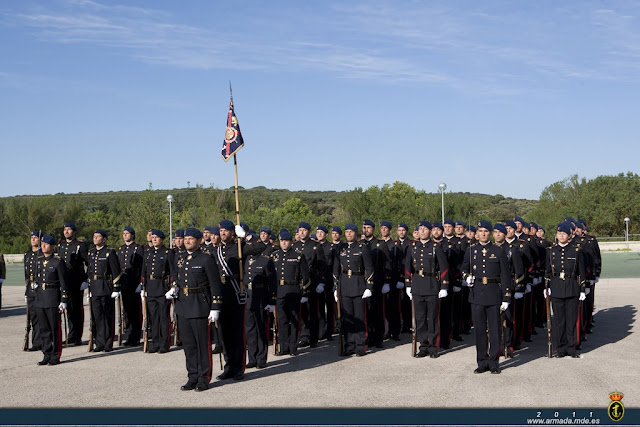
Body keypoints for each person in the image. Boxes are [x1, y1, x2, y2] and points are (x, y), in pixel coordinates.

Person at [165, 227, 222, 392]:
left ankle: (204, 378)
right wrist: (174, 287)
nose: (187, 241)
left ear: (199, 241)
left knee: (202, 345)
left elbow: (215, 284)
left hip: (199, 306)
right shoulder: (181, 258)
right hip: (183, 306)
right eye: (186, 238)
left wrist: (215, 307)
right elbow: (178, 278)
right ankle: (192, 376)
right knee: (189, 345)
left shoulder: (206, 259)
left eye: (191, 238)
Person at [213, 220, 265, 380]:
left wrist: (247, 236)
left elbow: (261, 246)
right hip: (221, 293)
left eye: (226, 231)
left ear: (232, 233)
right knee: (224, 333)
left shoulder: (239, 246)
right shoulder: (217, 250)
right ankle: (228, 366)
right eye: (221, 230)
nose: (223, 233)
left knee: (237, 333)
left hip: (236, 292)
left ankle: (238, 368)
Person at [460, 220, 513, 374]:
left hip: (494, 294)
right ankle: (482, 361)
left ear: (490, 233)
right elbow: (463, 268)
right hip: (476, 294)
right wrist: (466, 277)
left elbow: (505, 275)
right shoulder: (472, 250)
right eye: (480, 231)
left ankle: (494, 362)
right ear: (477, 233)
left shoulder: (498, 251)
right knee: (480, 330)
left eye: (486, 231)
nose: (483, 234)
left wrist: (506, 297)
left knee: (495, 330)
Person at [404, 221, 449, 358]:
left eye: (425, 229)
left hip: (432, 286)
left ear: (430, 231)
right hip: (417, 286)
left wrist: (444, 286)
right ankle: (423, 346)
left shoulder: (436, 247)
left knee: (433, 318)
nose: (422, 231)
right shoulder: (412, 247)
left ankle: (434, 347)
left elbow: (444, 267)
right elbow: (407, 267)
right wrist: (408, 285)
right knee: (420, 319)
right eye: (420, 229)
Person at [544, 222, 587, 358]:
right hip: (556, 287)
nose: (561, 235)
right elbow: (547, 272)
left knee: (571, 319)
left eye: (564, 234)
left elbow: (581, 271)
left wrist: (582, 289)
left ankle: (571, 346)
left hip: (571, 287)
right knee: (558, 320)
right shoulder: (551, 251)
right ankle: (560, 347)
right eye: (559, 233)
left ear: (569, 236)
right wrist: (546, 287)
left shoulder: (576, 250)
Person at [333, 223, 373, 356]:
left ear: (356, 233)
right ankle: (349, 344)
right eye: (346, 231)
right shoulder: (340, 248)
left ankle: (361, 345)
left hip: (358, 285)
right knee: (347, 318)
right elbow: (335, 269)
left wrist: (369, 286)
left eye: (351, 231)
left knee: (359, 317)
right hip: (344, 285)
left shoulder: (362, 248)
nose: (348, 234)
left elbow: (369, 268)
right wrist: (335, 286)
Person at [272, 229, 310, 356]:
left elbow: (305, 277)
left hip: (293, 290)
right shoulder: (275, 256)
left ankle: (293, 346)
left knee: (293, 319)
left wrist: (304, 293)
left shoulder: (298, 256)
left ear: (291, 242)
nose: (283, 243)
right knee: (281, 320)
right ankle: (284, 347)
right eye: (282, 241)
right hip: (279, 291)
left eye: (286, 241)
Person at [34, 234, 69, 366]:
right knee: (43, 329)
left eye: (46, 244)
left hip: (53, 297)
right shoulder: (38, 260)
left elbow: (64, 282)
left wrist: (64, 299)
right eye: (42, 243)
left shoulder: (57, 262)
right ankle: (46, 354)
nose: (43, 246)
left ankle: (55, 355)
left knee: (54, 328)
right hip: (40, 298)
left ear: (52, 246)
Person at [87, 230, 122, 352]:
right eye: (94, 236)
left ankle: (108, 343)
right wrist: (89, 287)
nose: (95, 238)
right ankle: (99, 342)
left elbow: (116, 271)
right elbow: (90, 271)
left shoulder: (109, 252)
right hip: (95, 287)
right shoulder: (91, 253)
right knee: (97, 316)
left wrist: (116, 288)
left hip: (106, 287)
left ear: (104, 239)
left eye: (98, 236)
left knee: (107, 316)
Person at [493, 223, 524, 358]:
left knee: (508, 318)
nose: (498, 234)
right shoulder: (489, 249)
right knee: (493, 319)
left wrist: (518, 288)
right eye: (495, 232)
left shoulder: (512, 249)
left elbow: (519, 271)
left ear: (505, 234)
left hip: (508, 287)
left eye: (500, 232)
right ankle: (495, 345)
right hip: (492, 287)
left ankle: (507, 345)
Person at [293, 222, 326, 349]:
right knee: (301, 312)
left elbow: (322, 266)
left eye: (304, 230)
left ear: (308, 231)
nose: (302, 232)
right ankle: (304, 336)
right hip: (298, 282)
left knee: (312, 311)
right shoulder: (295, 246)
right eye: (300, 230)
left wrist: (321, 282)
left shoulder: (315, 246)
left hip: (311, 282)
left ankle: (313, 337)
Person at [361, 219, 392, 348]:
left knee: (377, 310)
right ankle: (367, 336)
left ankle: (378, 337)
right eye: (364, 227)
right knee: (364, 311)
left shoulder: (380, 244)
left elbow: (388, 264)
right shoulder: (359, 244)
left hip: (378, 281)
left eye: (369, 227)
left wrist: (387, 281)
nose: (366, 230)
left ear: (373, 229)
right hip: (362, 282)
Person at [57, 222, 89, 346]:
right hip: (64, 281)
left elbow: (89, 264)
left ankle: (76, 336)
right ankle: (71, 334)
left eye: (69, 230)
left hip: (76, 281)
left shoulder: (80, 246)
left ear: (74, 231)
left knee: (76, 309)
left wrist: (85, 280)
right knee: (67, 308)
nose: (66, 232)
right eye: (65, 229)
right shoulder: (61, 245)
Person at [141, 229, 172, 353]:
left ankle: (164, 343)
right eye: (152, 237)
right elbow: (144, 270)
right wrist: (143, 285)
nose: (154, 239)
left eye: (156, 237)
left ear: (162, 239)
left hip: (162, 287)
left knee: (163, 317)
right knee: (153, 317)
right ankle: (155, 342)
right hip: (150, 287)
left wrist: (172, 287)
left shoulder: (167, 252)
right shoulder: (148, 253)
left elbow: (172, 270)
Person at [116, 226, 144, 346]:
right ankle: (128, 334)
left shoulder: (138, 248)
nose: (125, 235)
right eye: (124, 233)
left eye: (127, 233)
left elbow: (143, 266)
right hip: (124, 282)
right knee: (126, 311)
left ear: (132, 235)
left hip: (134, 281)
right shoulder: (121, 249)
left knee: (135, 310)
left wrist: (141, 283)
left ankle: (136, 335)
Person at [315, 225, 336, 341]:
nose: (319, 234)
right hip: (317, 281)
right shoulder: (314, 246)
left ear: (326, 234)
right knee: (320, 307)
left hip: (328, 281)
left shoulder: (330, 247)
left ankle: (329, 331)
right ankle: (321, 331)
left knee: (330, 307)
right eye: (317, 232)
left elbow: (332, 265)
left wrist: (333, 282)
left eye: (321, 232)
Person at [23, 231, 43, 351]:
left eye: (35, 238)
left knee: (41, 316)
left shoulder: (42, 254)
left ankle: (42, 341)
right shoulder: (28, 254)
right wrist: (27, 290)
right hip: (30, 289)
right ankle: (36, 343)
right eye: (32, 238)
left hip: (40, 288)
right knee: (33, 317)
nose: (33, 240)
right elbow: (26, 274)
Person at [395, 223, 412, 335]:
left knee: (408, 303)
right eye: (399, 230)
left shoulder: (411, 244)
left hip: (407, 277)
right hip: (395, 278)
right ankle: (400, 325)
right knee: (398, 304)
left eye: (403, 230)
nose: (401, 232)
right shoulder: (394, 244)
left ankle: (409, 324)